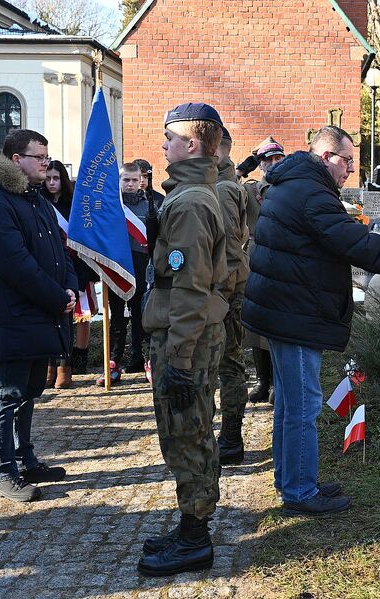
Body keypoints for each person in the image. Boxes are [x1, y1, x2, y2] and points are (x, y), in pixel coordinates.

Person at [241, 126, 380, 516]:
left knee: (291, 405)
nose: (350, 170)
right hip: (295, 313)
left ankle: (293, 481)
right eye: (346, 161)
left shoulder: (295, 183)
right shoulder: (310, 193)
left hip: (286, 308)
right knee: (302, 406)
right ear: (325, 156)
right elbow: (360, 248)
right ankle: (300, 492)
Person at [138, 103, 229, 576]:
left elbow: (190, 286)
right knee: (191, 429)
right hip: (189, 329)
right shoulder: (193, 194)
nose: (163, 144)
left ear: (191, 144)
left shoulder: (191, 201)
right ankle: (192, 523)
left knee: (186, 433)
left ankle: (196, 537)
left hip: (185, 333)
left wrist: (178, 357)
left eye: (169, 136)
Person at [0, 129, 76, 502]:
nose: (46, 165)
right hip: (12, 316)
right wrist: (54, 297)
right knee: (7, 394)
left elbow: (60, 252)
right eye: (40, 158)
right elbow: (15, 264)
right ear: (16, 160)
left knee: (29, 391)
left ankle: (24, 458)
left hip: (39, 313)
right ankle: (2, 472)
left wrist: (70, 287)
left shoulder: (36, 201)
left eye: (48, 158)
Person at [99, 160, 161, 386]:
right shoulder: (109, 206)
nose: (131, 184)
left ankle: (147, 361)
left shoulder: (150, 205)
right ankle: (113, 362)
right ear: (119, 181)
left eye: (135, 180)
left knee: (141, 316)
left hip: (141, 266)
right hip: (116, 267)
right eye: (126, 180)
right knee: (116, 317)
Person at [213, 126, 250, 464]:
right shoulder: (218, 184)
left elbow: (228, 252)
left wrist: (218, 298)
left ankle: (231, 437)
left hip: (224, 294)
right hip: (221, 292)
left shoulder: (223, 189)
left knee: (229, 365)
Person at [241, 137, 285, 404]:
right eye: (266, 160)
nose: (271, 164)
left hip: (281, 258)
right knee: (256, 324)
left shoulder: (289, 187)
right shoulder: (249, 189)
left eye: (276, 159)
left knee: (277, 324)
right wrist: (241, 169)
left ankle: (279, 384)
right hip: (255, 256)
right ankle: (262, 381)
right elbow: (222, 190)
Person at [42, 160, 85, 389]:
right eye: (48, 178)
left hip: (71, 266)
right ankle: (49, 366)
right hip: (48, 266)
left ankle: (64, 367)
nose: (51, 183)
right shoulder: (39, 202)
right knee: (49, 319)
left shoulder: (73, 205)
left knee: (67, 320)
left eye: (56, 178)